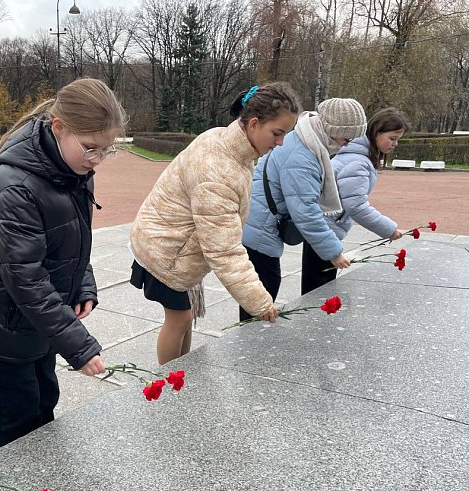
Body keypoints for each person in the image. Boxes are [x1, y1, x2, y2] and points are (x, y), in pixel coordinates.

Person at [0, 78, 127, 450]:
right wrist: (79, 346)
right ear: (58, 128)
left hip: (38, 317)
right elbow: (25, 278)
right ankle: (19, 487)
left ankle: (44, 465)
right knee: (18, 408)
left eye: (106, 150)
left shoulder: (74, 170)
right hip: (2, 318)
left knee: (44, 394)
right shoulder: (17, 186)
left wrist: (83, 283)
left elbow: (74, 240)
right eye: (90, 148)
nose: (96, 159)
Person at [129, 82, 302, 364]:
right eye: (277, 133)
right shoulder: (218, 172)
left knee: (183, 318)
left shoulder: (225, 141)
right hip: (166, 250)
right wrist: (259, 301)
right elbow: (224, 250)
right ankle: (171, 382)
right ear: (254, 124)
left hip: (168, 240)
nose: (280, 142)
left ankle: (180, 375)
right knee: (180, 318)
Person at [240, 97, 367, 318]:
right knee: (262, 291)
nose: (347, 144)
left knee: (261, 288)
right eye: (347, 138)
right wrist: (334, 253)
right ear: (332, 129)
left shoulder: (306, 138)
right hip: (260, 224)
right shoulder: (303, 156)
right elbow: (305, 211)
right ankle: (250, 342)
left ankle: (253, 337)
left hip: (260, 218)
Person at [325, 107, 409, 279]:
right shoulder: (358, 162)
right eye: (392, 138)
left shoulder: (355, 155)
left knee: (318, 280)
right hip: (326, 227)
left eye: (397, 140)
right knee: (319, 284)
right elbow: (356, 206)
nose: (395, 144)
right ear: (377, 132)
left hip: (326, 224)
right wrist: (389, 229)